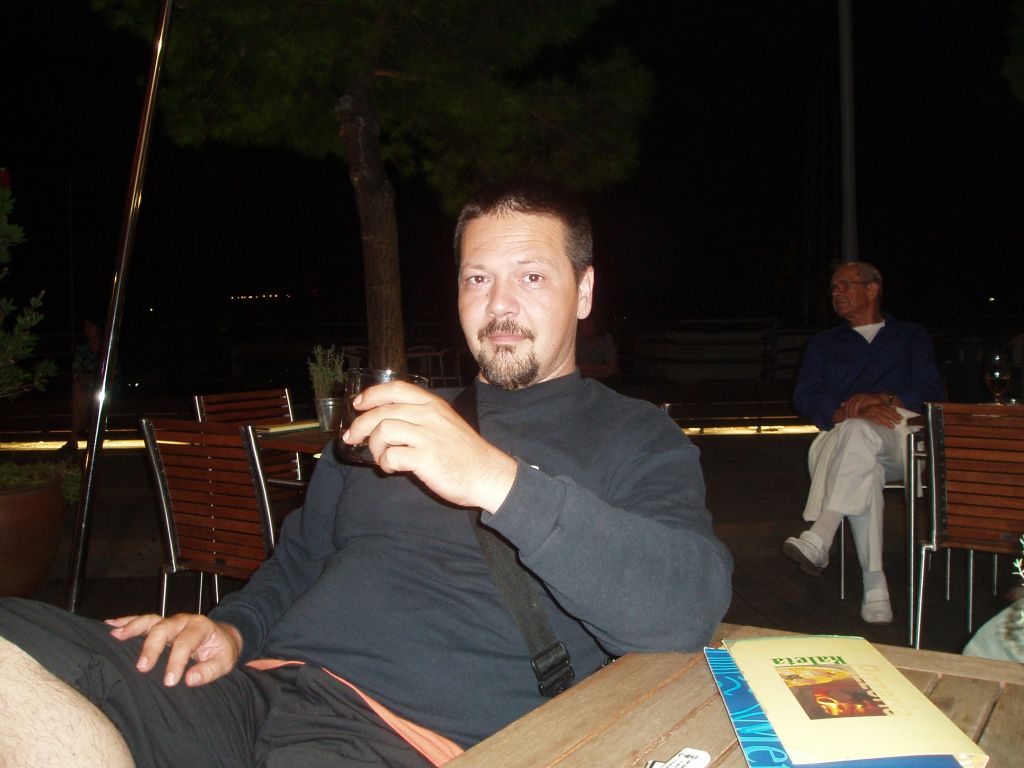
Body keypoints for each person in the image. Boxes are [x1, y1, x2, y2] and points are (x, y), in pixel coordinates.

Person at [0, 181, 733, 767]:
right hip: (252, 693)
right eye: (477, 278)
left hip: (395, 737)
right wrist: (231, 629)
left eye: (532, 276)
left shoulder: (638, 438)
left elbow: (684, 612)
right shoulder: (396, 417)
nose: (499, 305)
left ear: (585, 290)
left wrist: (496, 480)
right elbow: (300, 562)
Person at [783, 261, 943, 626]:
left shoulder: (910, 335)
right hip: (843, 436)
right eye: (833, 288)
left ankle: (822, 534)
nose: (836, 293)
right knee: (862, 460)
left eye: (845, 285)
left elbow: (931, 391)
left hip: (902, 435)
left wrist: (882, 399)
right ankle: (875, 588)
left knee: (860, 437)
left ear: (872, 289)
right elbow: (805, 397)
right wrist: (848, 411)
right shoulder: (824, 344)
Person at [60, 317, 102, 453]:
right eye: (85, 327)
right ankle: (85, 427)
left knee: (79, 397)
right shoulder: (82, 349)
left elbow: (112, 371)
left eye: (90, 327)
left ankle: (76, 435)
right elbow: (76, 370)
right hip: (85, 385)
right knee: (77, 388)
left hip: (103, 386)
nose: (87, 330)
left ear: (98, 329)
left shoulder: (106, 348)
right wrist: (82, 378)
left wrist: (93, 380)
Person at [575, 313, 619, 379]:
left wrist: (585, 368)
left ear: (598, 324)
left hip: (600, 379)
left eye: (589, 322)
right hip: (579, 379)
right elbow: (573, 367)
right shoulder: (576, 337)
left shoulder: (606, 338)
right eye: (583, 322)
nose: (585, 325)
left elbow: (611, 366)